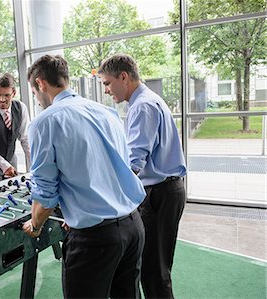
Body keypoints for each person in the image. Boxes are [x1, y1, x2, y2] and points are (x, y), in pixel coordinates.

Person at [22, 54, 146, 299]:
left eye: (34, 93)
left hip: (95, 241)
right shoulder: (107, 113)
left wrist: (35, 224)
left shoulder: (44, 123)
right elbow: (109, 169)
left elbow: (46, 195)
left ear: (40, 84)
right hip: (133, 227)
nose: (36, 100)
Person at [98, 53, 187, 299]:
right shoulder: (147, 100)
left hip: (160, 194)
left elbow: (134, 164)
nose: (106, 90)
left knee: (154, 272)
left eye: (107, 83)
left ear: (123, 77)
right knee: (153, 269)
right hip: (164, 191)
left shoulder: (142, 106)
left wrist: (108, 198)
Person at [0, 73, 31, 180]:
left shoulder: (21, 108)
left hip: (11, 160)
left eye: (6, 95)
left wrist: (35, 161)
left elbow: (25, 138)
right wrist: (4, 165)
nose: (2, 99)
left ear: (14, 93)